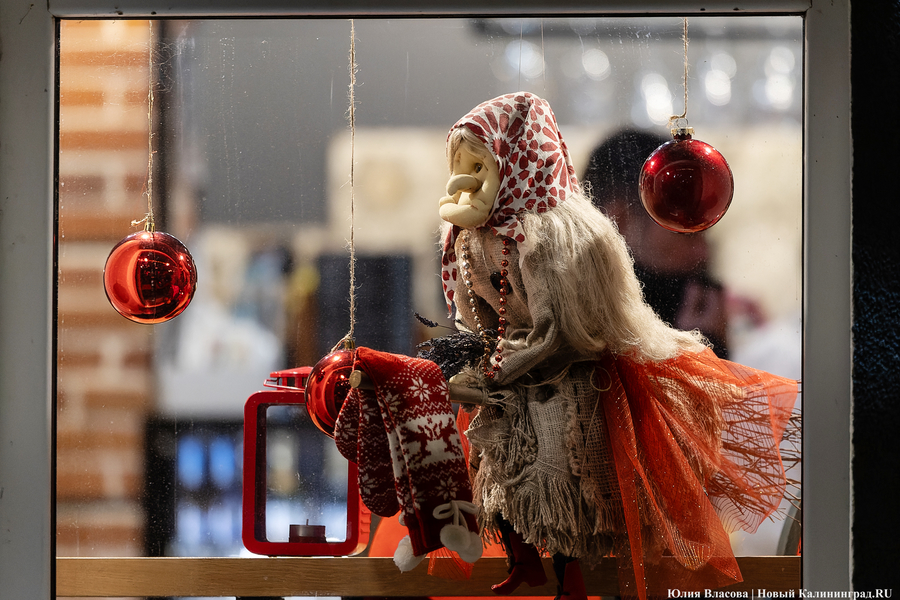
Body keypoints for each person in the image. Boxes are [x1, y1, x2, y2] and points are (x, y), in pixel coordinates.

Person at [582, 129, 731, 358]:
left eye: (704, 234)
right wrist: (699, 356)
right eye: (685, 234)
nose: (702, 252)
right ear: (618, 221)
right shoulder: (579, 337)